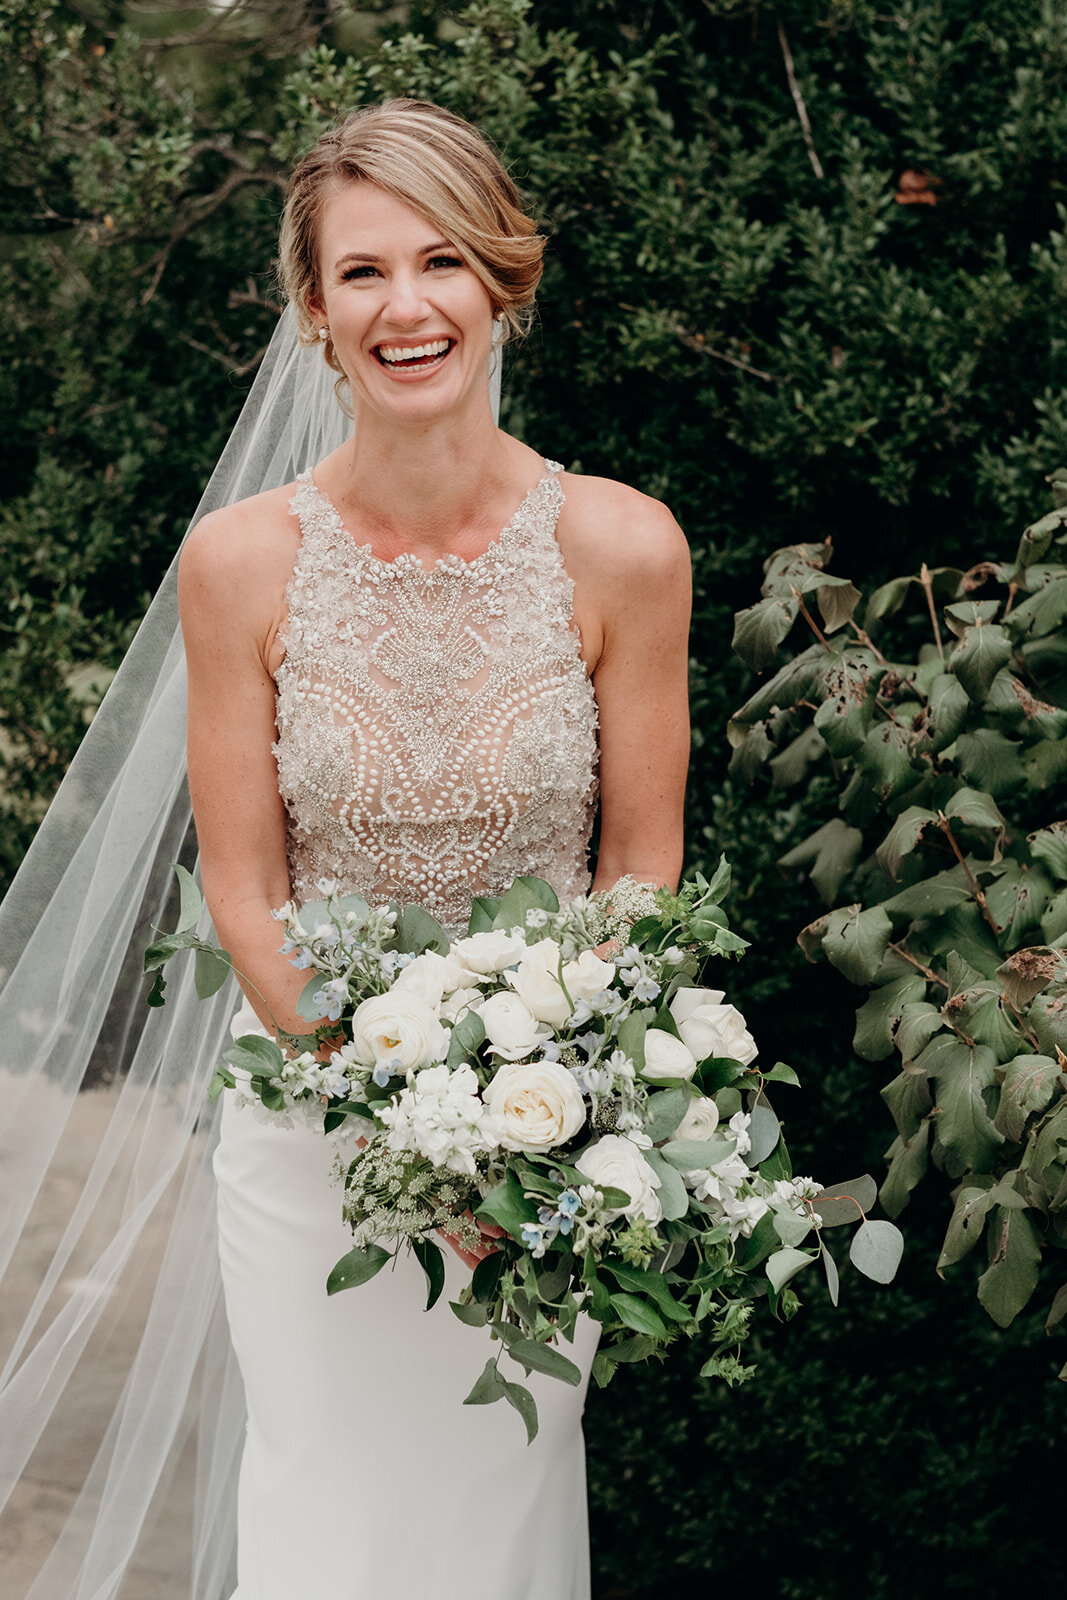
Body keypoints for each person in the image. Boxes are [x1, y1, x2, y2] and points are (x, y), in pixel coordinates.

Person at [0, 99, 689, 1599]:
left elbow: (640, 871)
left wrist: (536, 1115)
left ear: (504, 280)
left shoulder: (627, 549)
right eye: (361, 273)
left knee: (496, 1514)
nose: (406, 306)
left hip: (540, 1151)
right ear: (314, 312)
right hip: (314, 1140)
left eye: (440, 262)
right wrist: (393, 1124)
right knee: (326, 1514)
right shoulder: (241, 564)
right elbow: (244, 892)